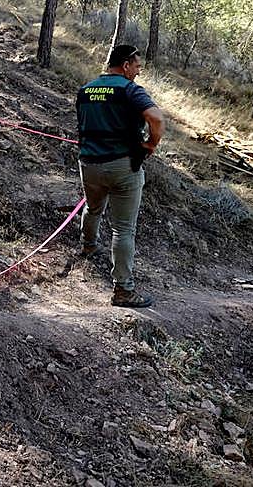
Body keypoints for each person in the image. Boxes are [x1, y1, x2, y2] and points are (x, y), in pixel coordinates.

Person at [76, 43, 166, 308]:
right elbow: (157, 119)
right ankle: (123, 291)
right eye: (137, 66)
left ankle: (88, 246)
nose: (138, 71)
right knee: (123, 229)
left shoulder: (86, 89)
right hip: (122, 166)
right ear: (125, 65)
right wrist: (151, 144)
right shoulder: (130, 90)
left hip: (89, 163)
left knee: (93, 208)